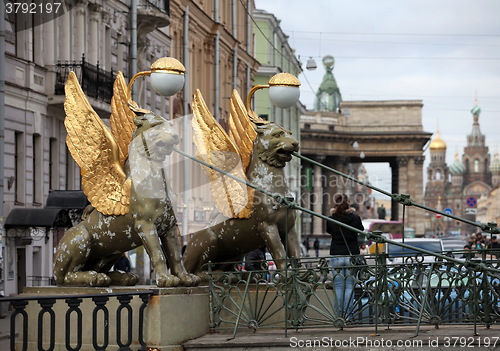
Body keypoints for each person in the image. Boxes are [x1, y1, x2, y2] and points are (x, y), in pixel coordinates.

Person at [326, 194, 364, 315]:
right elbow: (361, 229)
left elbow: (329, 231)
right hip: (351, 254)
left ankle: (339, 315)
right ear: (348, 203)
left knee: (338, 286)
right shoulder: (355, 218)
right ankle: (347, 315)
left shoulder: (331, 218)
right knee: (349, 286)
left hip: (336, 254)